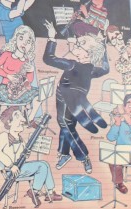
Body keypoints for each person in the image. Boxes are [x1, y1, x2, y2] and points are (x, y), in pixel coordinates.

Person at [42, 21, 109, 172]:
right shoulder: (92, 69)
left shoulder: (73, 65)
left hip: (70, 98)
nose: (74, 46)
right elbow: (106, 68)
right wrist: (102, 44)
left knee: (66, 124)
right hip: (65, 97)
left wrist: (51, 38)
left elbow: (49, 58)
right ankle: (64, 153)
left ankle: (82, 155)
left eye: (79, 46)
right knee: (67, 124)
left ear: (89, 54)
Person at [0, 105, 62, 208]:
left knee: (45, 164)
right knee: (41, 166)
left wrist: (26, 154)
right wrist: (11, 165)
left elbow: (22, 155)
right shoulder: (4, 136)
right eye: (18, 117)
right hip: (11, 171)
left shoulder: (20, 138)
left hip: (19, 168)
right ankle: (34, 191)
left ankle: (49, 192)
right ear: (9, 122)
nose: (23, 120)